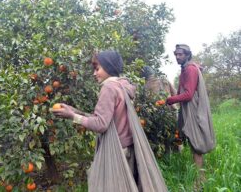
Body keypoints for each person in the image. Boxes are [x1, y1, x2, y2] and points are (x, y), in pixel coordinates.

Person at [52, 50, 167, 192]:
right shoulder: (122, 86)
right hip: (127, 149)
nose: (94, 74)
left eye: (97, 69)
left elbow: (101, 124)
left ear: (108, 67)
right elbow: (107, 118)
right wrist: (75, 111)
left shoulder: (109, 87)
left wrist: (73, 117)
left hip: (116, 151)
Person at [166, 44, 216, 188]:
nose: (177, 57)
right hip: (189, 108)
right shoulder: (186, 69)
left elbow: (188, 94)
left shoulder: (190, 69)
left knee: (196, 143)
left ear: (187, 55)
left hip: (193, 109)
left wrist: (170, 100)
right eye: (176, 54)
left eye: (180, 54)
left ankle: (200, 180)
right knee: (194, 142)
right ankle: (200, 176)